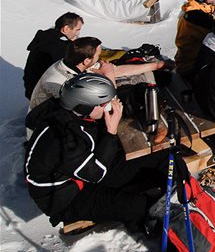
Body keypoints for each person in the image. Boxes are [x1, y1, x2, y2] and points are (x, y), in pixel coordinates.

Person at [25, 73, 167, 231]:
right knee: (138, 206)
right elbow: (96, 173)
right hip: (66, 196)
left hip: (85, 168)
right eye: (103, 104)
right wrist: (111, 131)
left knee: (162, 158)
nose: (108, 106)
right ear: (84, 106)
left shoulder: (73, 112)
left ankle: (184, 194)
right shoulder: (61, 139)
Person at [28, 36, 169, 112]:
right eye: (98, 55)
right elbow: (111, 108)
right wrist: (109, 76)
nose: (101, 59)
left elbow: (116, 70)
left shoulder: (72, 63)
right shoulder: (65, 83)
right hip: (49, 135)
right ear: (87, 60)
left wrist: (154, 66)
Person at [23, 12, 84, 99]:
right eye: (77, 30)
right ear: (66, 28)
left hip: (31, 89)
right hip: (42, 96)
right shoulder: (60, 46)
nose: (78, 34)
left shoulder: (46, 37)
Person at [175, 0, 215, 80]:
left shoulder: (194, 10)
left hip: (193, 60)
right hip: (192, 66)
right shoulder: (195, 16)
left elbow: (205, 12)